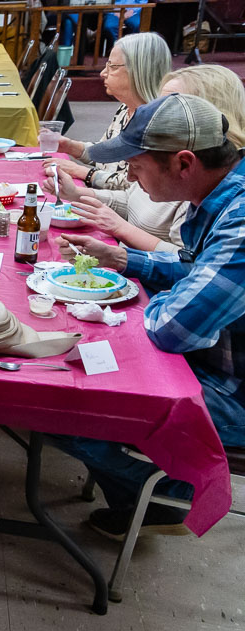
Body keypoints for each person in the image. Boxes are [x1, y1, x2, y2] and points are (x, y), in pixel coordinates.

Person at [48, 92, 245, 539]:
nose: (132, 179)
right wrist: (123, 261)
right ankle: (148, 490)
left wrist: (152, 301)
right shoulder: (219, 192)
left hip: (231, 390)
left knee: (57, 398)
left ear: (183, 163)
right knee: (68, 365)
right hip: (214, 359)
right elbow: (195, 270)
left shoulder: (240, 218)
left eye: (136, 166)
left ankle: (165, 497)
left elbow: (174, 328)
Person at [43, 64, 245, 251]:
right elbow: (130, 199)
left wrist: (121, 232)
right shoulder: (175, 164)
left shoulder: (201, 181)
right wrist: (77, 193)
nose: (157, 112)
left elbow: (184, 262)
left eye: (170, 106)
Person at [49, 32, 169, 191]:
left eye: (112, 67)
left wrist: (82, 172)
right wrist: (71, 147)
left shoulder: (157, 123)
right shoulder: (126, 108)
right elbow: (107, 154)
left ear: (138, 71)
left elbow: (134, 187)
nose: (102, 73)